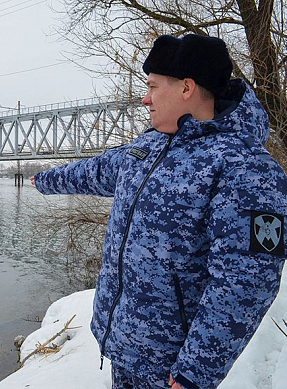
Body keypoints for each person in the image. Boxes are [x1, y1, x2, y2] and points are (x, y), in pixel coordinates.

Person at [31, 34, 287, 389]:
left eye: (152, 86)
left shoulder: (244, 168)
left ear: (186, 88)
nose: (144, 97)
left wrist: (195, 371)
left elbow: (246, 281)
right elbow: (96, 171)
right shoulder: (148, 147)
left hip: (171, 371)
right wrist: (43, 180)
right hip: (124, 349)